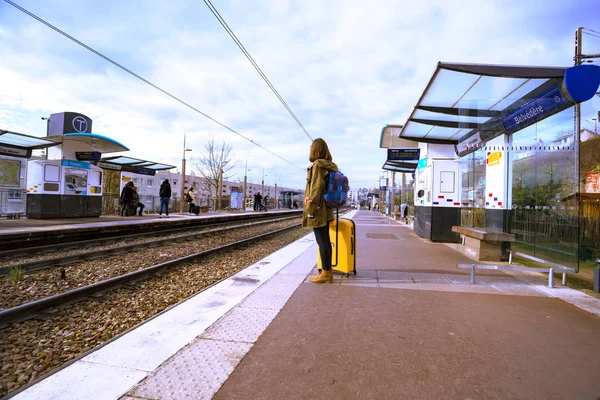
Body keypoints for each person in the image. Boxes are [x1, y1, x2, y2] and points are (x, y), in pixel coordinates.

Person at [302, 138, 338, 283]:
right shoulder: (329, 166)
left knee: (322, 241)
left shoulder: (317, 165)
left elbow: (315, 189)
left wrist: (310, 209)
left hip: (318, 208)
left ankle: (325, 273)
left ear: (315, 149)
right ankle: (327, 271)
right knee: (325, 240)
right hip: (326, 208)